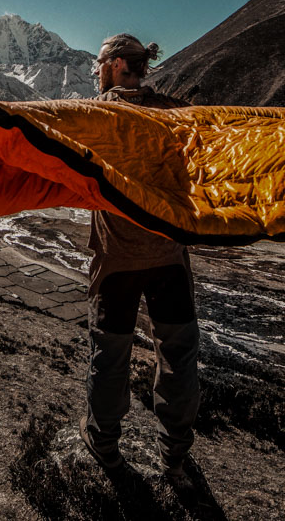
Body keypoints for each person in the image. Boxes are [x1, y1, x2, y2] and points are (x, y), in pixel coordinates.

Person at [79, 33, 200, 482]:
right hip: (169, 256)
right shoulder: (175, 115)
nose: (96, 74)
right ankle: (174, 456)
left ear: (112, 66)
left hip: (116, 262)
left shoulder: (93, 117)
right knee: (179, 355)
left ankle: (105, 445)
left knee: (110, 356)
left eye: (98, 66)